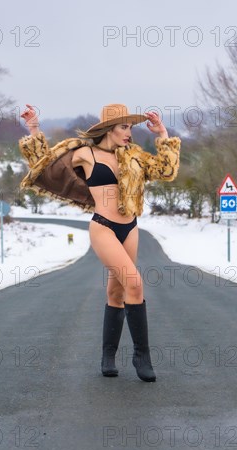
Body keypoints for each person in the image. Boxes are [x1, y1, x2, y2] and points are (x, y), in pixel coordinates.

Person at [19, 103, 181, 382]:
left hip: (130, 227)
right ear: (109, 128)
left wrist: (163, 133)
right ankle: (142, 356)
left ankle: (108, 357)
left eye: (130, 127)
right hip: (103, 227)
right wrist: (34, 128)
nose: (129, 133)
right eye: (123, 127)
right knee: (135, 283)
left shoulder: (134, 157)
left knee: (116, 293)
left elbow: (166, 171)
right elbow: (44, 166)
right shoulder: (85, 153)